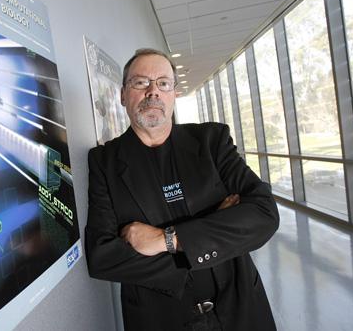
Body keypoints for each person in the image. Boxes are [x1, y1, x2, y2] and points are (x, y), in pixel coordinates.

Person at [85, 48, 279, 331]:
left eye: (163, 83)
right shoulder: (104, 162)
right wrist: (212, 231)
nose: (153, 92)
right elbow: (103, 257)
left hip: (240, 308)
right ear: (123, 95)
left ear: (174, 93)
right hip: (160, 318)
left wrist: (167, 240)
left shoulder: (212, 141)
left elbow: (264, 214)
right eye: (140, 82)